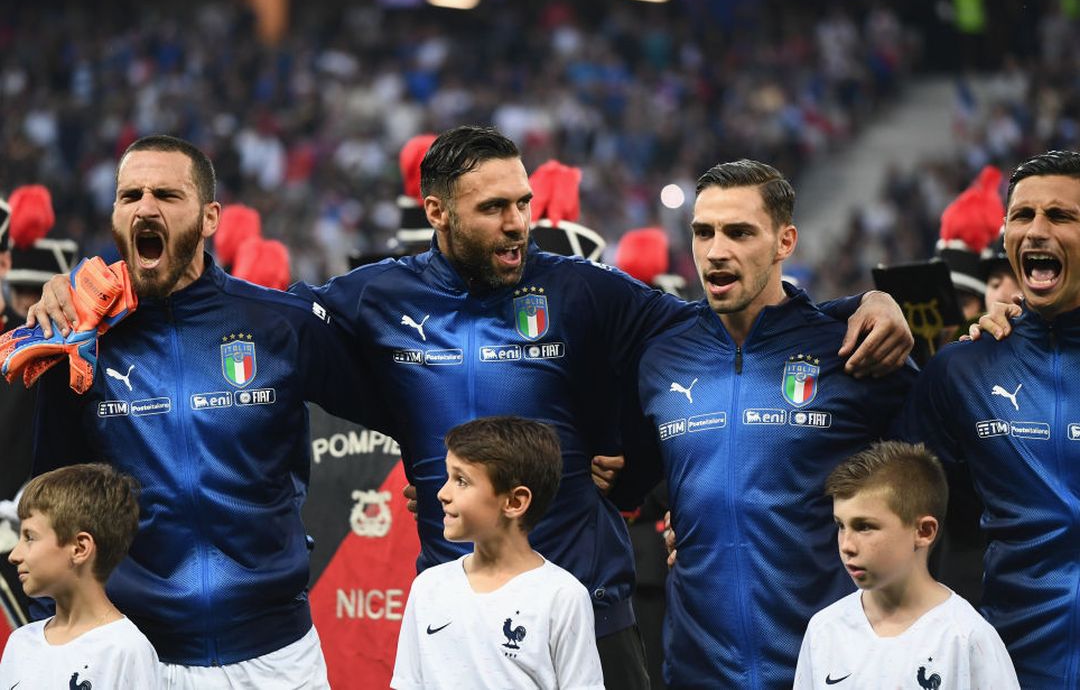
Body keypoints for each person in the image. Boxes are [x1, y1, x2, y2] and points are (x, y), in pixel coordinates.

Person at [30, 126, 912, 688]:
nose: (519, 222)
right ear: (438, 213)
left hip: (591, 605)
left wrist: (854, 307)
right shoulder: (371, 300)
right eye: (495, 209)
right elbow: (251, 319)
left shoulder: (584, 292)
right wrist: (74, 294)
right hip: (451, 605)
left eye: (525, 202)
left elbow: (723, 323)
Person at [22, 134, 366, 688]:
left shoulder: (281, 325)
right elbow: (52, 499)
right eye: (130, 195)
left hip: (278, 656)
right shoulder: (81, 343)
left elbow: (398, 400)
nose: (145, 207)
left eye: (166, 194)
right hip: (141, 657)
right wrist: (56, 639)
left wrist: (434, 464)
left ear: (210, 218)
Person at [622, 159, 918, 688]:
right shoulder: (662, 357)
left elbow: (935, 488)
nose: (716, 251)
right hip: (695, 670)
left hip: (832, 669)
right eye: (703, 232)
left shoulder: (850, 350)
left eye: (739, 232)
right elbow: (636, 480)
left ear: (785, 242)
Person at [896, 149, 1080, 688]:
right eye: (1022, 216)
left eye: (1061, 216)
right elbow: (902, 510)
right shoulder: (962, 369)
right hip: (1003, 667)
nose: (1036, 231)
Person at [391, 416, 603, 690]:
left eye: (462, 481)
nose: (443, 493)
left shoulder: (562, 596)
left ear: (515, 502)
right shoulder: (428, 587)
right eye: (448, 477)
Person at [793, 441, 1018, 689]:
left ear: (924, 531)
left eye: (864, 526)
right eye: (840, 525)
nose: (846, 545)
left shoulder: (967, 638)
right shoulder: (824, 631)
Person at [0, 463, 160, 688]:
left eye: (29, 537)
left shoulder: (124, 649)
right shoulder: (20, 643)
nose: (14, 555)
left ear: (79, 548)